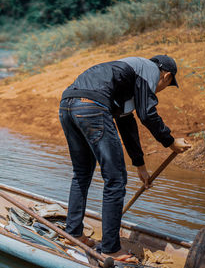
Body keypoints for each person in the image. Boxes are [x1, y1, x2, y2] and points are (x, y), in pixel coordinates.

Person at [59, 55, 191, 258]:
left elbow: (127, 125)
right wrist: (170, 142)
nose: (160, 89)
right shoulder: (150, 70)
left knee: (82, 173)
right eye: (166, 85)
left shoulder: (127, 77)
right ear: (166, 76)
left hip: (68, 105)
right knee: (115, 180)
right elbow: (147, 114)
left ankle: (73, 233)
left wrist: (140, 165)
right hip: (92, 106)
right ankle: (111, 249)